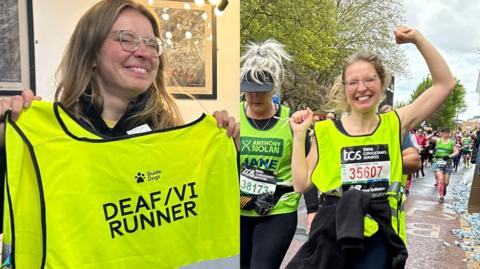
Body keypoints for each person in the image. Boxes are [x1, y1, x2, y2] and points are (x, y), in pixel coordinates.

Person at [0, 0, 239, 267]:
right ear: (90, 53)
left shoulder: (174, 139)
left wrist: (227, 150)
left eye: (152, 43)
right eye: (126, 39)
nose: (143, 52)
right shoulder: (44, 140)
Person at [286, 26, 455, 269]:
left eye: (369, 79)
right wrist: (299, 136)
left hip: (380, 234)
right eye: (352, 82)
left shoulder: (396, 123)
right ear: (344, 88)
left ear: (382, 82)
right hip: (333, 234)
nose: (361, 88)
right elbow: (301, 184)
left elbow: (445, 84)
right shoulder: (326, 131)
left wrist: (417, 39)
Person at [239, 39, 318, 269]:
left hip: (279, 209)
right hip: (239, 207)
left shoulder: (290, 120)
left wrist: (312, 210)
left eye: (261, 92)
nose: (254, 98)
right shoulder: (234, 118)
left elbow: (306, 168)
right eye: (249, 92)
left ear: (273, 88)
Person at [428, 127, 459, 202]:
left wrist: (449, 156)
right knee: (440, 180)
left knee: (446, 182)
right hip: (437, 161)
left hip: (447, 162)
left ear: (449, 133)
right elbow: (427, 138)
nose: (445, 133)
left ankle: (444, 188)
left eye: (447, 132)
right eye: (444, 132)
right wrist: (434, 132)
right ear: (441, 133)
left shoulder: (452, 142)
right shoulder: (438, 140)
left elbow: (456, 152)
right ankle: (441, 196)